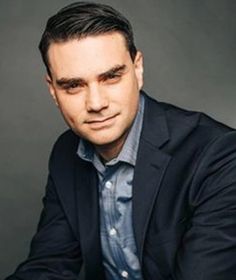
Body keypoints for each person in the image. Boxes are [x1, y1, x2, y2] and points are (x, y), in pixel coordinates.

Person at [6, 2, 236, 280]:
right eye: (73, 85)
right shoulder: (66, 153)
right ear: (53, 90)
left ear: (138, 69)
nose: (96, 103)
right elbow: (48, 265)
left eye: (111, 77)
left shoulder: (219, 155)